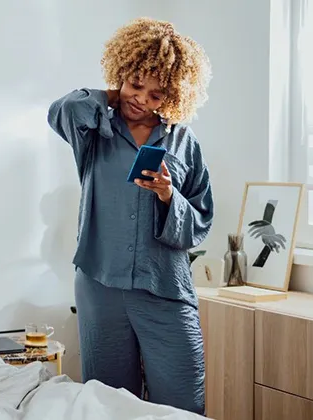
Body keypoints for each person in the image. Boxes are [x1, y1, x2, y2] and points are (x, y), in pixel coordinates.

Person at [47, 17, 213, 415]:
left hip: (164, 289)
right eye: (136, 85)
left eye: (156, 95)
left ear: (172, 97)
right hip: (100, 285)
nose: (141, 99)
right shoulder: (93, 128)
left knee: (183, 405)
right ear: (121, 73)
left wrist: (168, 195)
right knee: (107, 405)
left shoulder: (182, 141)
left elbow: (201, 220)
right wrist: (112, 93)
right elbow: (62, 109)